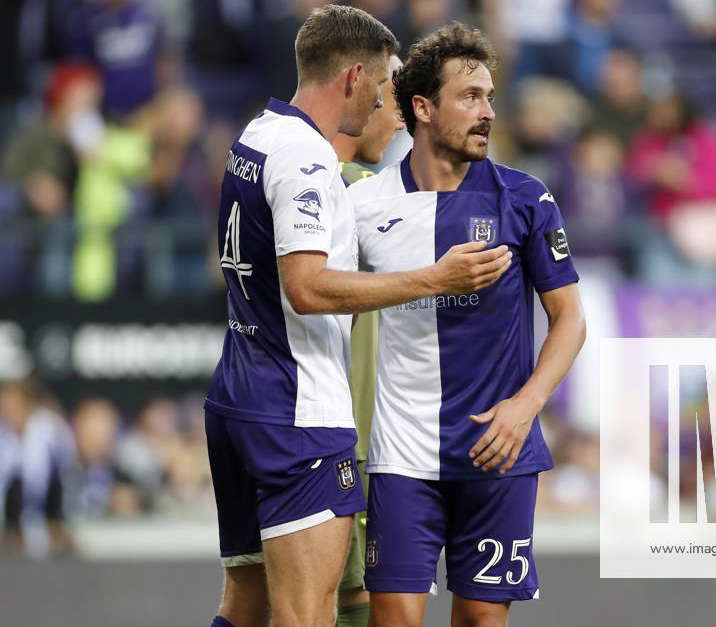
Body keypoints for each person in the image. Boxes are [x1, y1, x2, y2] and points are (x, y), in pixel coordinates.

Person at [202, 7, 512, 627]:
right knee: (308, 613)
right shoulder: (310, 162)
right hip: (297, 410)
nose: (384, 104)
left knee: (246, 603)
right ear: (351, 77)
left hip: (238, 393)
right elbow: (308, 289)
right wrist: (435, 278)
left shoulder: (257, 136)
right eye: (380, 85)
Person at [349, 23, 587, 627]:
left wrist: (526, 405)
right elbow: (320, 295)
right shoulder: (366, 205)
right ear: (423, 108)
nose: (488, 112)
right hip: (403, 452)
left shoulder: (525, 198)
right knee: (394, 620)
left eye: (490, 97)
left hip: (498, 451)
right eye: (470, 97)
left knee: (481, 620)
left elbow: (570, 319)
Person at [329, 53, 406, 627]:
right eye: (396, 100)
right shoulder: (354, 190)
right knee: (338, 598)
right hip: (340, 434)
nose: (402, 120)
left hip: (349, 432)